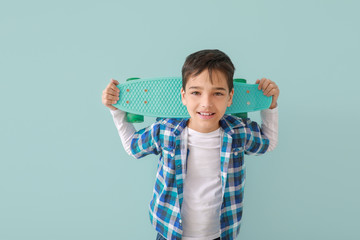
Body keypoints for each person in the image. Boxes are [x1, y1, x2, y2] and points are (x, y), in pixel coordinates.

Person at [102, 49, 279, 240]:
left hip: (220, 234)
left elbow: (267, 143)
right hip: (169, 232)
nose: (206, 103)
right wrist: (116, 110)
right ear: (183, 96)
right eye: (196, 92)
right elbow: (132, 146)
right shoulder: (166, 130)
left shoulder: (238, 132)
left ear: (230, 97)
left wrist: (270, 105)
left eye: (218, 93)